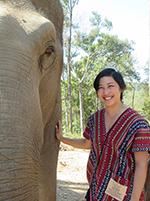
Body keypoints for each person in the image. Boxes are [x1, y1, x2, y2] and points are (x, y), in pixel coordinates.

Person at [56, 68, 150, 201]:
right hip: (96, 188)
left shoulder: (138, 124)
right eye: (101, 88)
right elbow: (87, 143)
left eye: (110, 86)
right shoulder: (95, 119)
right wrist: (62, 138)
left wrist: (134, 199)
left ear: (121, 88)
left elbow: (141, 164)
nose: (106, 92)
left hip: (125, 194)